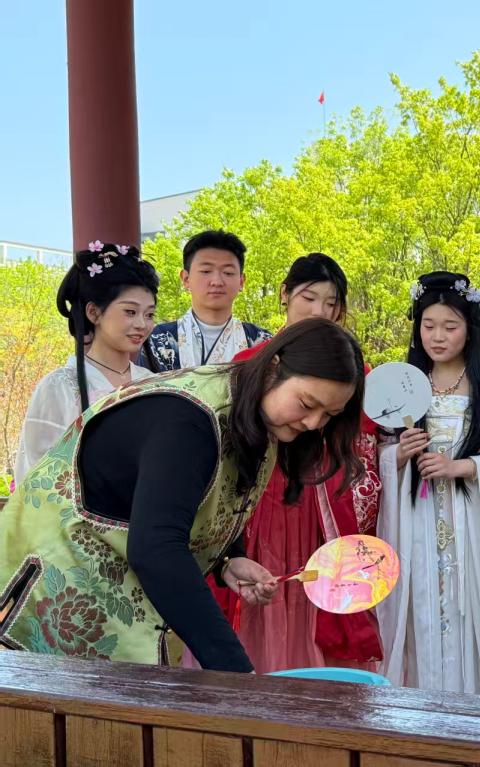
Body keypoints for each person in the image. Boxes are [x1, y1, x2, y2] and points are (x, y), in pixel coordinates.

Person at [0, 318, 366, 672]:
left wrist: (229, 560)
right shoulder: (189, 418)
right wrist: (236, 672)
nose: (313, 423)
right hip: (53, 571)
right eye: (306, 404)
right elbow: (156, 548)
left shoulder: (251, 409)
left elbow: (206, 495)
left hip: (116, 576)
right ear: (273, 368)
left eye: (329, 415)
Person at [218, 253, 383, 673]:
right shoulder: (249, 362)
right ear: (285, 295)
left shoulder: (354, 370)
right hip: (259, 500)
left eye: (331, 304)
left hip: (321, 502)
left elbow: (362, 446)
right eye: (309, 298)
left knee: (318, 594)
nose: (320, 311)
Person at [376, 272, 480, 696]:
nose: (438, 337)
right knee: (420, 604)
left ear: (470, 330)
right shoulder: (402, 384)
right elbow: (376, 454)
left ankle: (477, 712)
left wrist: (461, 467)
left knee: (472, 610)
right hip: (417, 519)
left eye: (450, 326)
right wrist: (398, 456)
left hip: (472, 523)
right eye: (429, 326)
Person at [14, 241, 158, 485]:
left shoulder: (153, 382)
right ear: (93, 312)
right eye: (130, 312)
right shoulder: (59, 387)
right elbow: (37, 477)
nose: (142, 324)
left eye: (150, 314)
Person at [143, 230, 270, 371]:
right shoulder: (158, 340)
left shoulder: (261, 341)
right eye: (206, 271)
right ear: (186, 279)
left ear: (241, 281)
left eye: (228, 273)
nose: (217, 281)